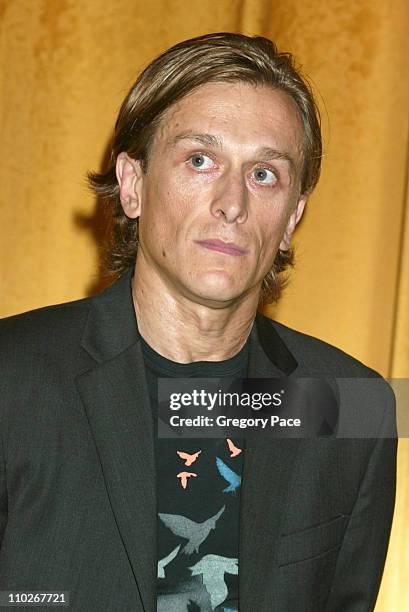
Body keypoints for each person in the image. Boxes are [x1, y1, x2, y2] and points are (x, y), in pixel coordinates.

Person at [0, 32, 396, 612]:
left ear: (292, 219)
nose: (231, 202)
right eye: (200, 160)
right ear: (133, 185)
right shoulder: (12, 378)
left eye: (265, 174)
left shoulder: (354, 406)